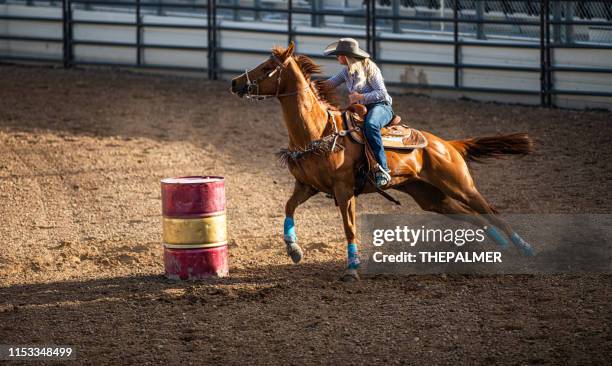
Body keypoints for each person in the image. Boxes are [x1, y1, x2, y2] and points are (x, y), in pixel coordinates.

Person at [323, 38, 394, 188]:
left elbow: (382, 93)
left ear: (346, 56)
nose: (337, 57)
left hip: (381, 106)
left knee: (371, 125)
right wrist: (307, 85)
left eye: (339, 54)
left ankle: (383, 168)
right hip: (362, 109)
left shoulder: (371, 69)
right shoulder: (346, 72)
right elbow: (329, 84)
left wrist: (360, 97)